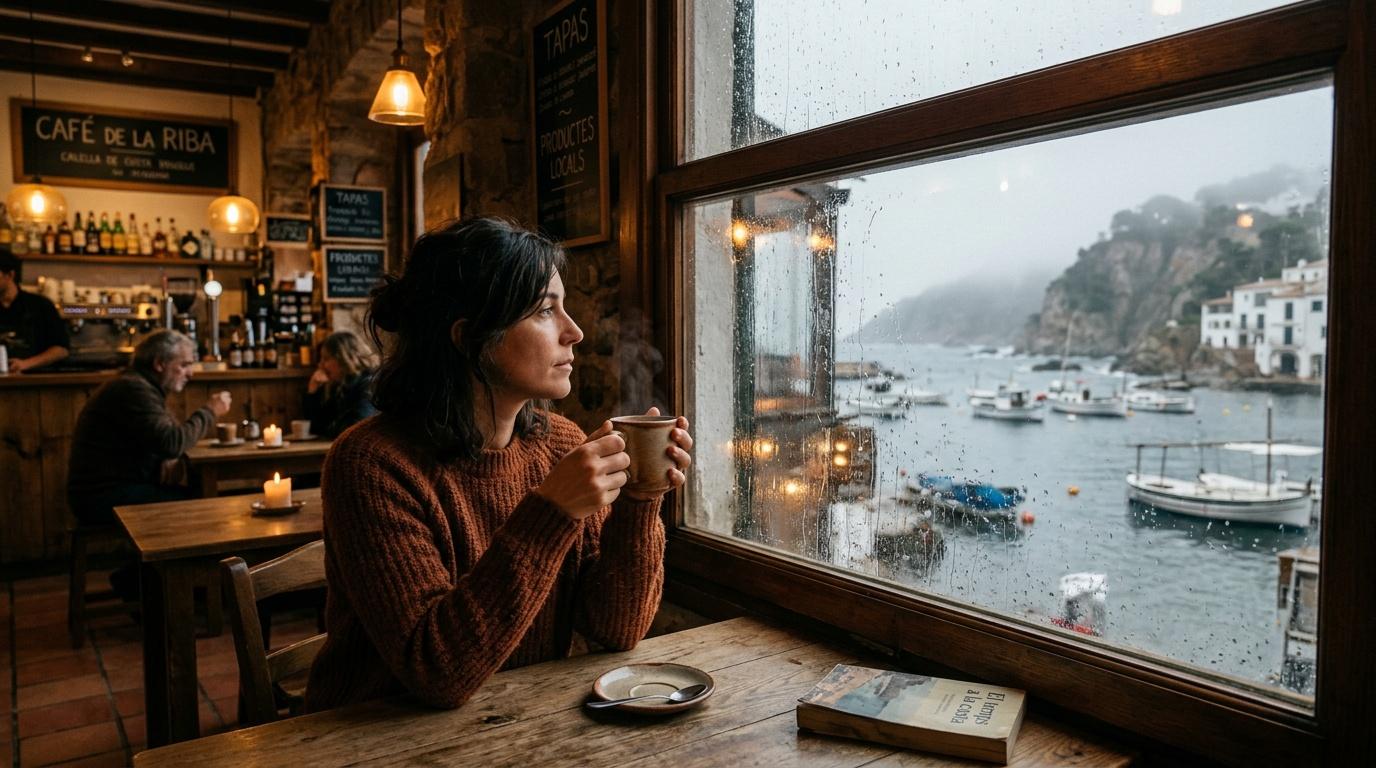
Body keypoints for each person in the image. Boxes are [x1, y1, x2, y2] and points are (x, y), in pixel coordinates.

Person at [305, 217, 692, 712]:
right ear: (470, 338)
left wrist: (640, 498)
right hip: (373, 734)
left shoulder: (559, 444)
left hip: (517, 721)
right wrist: (553, 511)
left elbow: (616, 629)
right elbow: (435, 669)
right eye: (545, 310)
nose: (574, 332)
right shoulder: (371, 464)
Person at [68, 329, 232, 525]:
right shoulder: (133, 388)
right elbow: (172, 442)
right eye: (184, 365)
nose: (191, 374)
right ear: (160, 364)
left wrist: (168, 455)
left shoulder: (139, 385)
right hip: (102, 497)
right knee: (207, 506)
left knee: (201, 497)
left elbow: (166, 439)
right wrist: (210, 411)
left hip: (115, 490)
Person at [0, 250, 69, 373]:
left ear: (9, 275)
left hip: (35, 379)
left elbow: (61, 349)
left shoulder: (40, 305)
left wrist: (26, 364)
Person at [302, 330, 379, 438]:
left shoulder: (368, 384)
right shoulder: (341, 386)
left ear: (344, 358)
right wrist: (312, 392)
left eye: (326, 359)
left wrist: (330, 427)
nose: (321, 365)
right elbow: (315, 428)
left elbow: (354, 429)